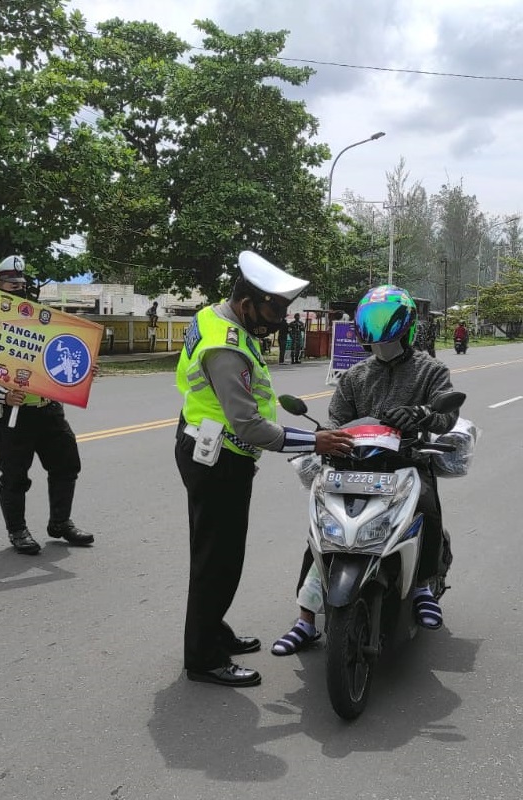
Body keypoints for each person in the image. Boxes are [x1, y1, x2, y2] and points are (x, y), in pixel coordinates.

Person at [174, 251, 353, 687]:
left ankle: (213, 631)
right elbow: (250, 426)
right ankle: (203, 658)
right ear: (247, 302)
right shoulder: (225, 347)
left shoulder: (215, 317)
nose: (277, 322)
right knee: (218, 562)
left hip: (204, 441)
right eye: (272, 312)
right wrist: (315, 440)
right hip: (220, 459)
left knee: (213, 553)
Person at [271, 284, 459, 657]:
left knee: (428, 505)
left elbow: (446, 416)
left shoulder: (431, 371)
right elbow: (337, 420)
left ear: (404, 326)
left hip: (406, 464)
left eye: (385, 322)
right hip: (353, 465)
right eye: (370, 323)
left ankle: (422, 584)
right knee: (323, 533)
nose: (378, 332)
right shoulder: (355, 376)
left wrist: (421, 415)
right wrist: (329, 435)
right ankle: (306, 620)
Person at [0, 256, 96, 556]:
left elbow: (55, 359)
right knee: (14, 476)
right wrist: (2, 394)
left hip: (48, 409)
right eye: (13, 285)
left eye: (23, 286)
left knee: (66, 465)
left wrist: (82, 371)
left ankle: (60, 523)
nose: (20, 290)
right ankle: (18, 530)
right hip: (12, 414)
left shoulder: (41, 319)